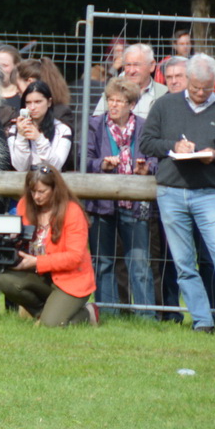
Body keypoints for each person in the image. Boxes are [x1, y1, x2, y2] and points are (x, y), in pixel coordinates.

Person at [140, 53, 215, 337]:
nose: (201, 93)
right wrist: (173, 147)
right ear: (187, 79)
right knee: (183, 262)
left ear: (214, 83)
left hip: (208, 194)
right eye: (196, 87)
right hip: (171, 192)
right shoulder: (164, 105)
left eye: (207, 87)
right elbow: (146, 142)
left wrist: (214, 155)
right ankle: (202, 320)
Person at [85, 76, 156, 314]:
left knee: (139, 263)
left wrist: (148, 168)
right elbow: (83, 160)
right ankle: (108, 312)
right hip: (101, 204)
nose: (113, 105)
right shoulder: (95, 125)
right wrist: (100, 165)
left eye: (120, 101)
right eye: (110, 100)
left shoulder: (145, 127)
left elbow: (156, 158)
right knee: (103, 261)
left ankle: (146, 315)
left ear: (131, 105)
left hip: (135, 204)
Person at [0, 164, 97, 326]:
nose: (36, 196)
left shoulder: (73, 212)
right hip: (41, 275)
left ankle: (89, 314)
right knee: (5, 280)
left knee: (51, 325)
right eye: (33, 191)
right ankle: (44, 313)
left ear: (54, 189)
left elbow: (75, 257)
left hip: (70, 280)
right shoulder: (25, 204)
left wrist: (37, 262)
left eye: (42, 192)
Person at [5, 80, 72, 171]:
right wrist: (21, 137)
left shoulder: (62, 130)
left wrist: (39, 138)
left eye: (38, 102)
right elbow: (20, 167)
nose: (32, 107)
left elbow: (55, 166)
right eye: (28, 102)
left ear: (49, 102)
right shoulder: (14, 129)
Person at [94, 43, 166, 120]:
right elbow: (96, 125)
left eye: (136, 65)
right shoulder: (112, 92)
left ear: (151, 66)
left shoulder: (164, 93)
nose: (131, 71)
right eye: (128, 65)